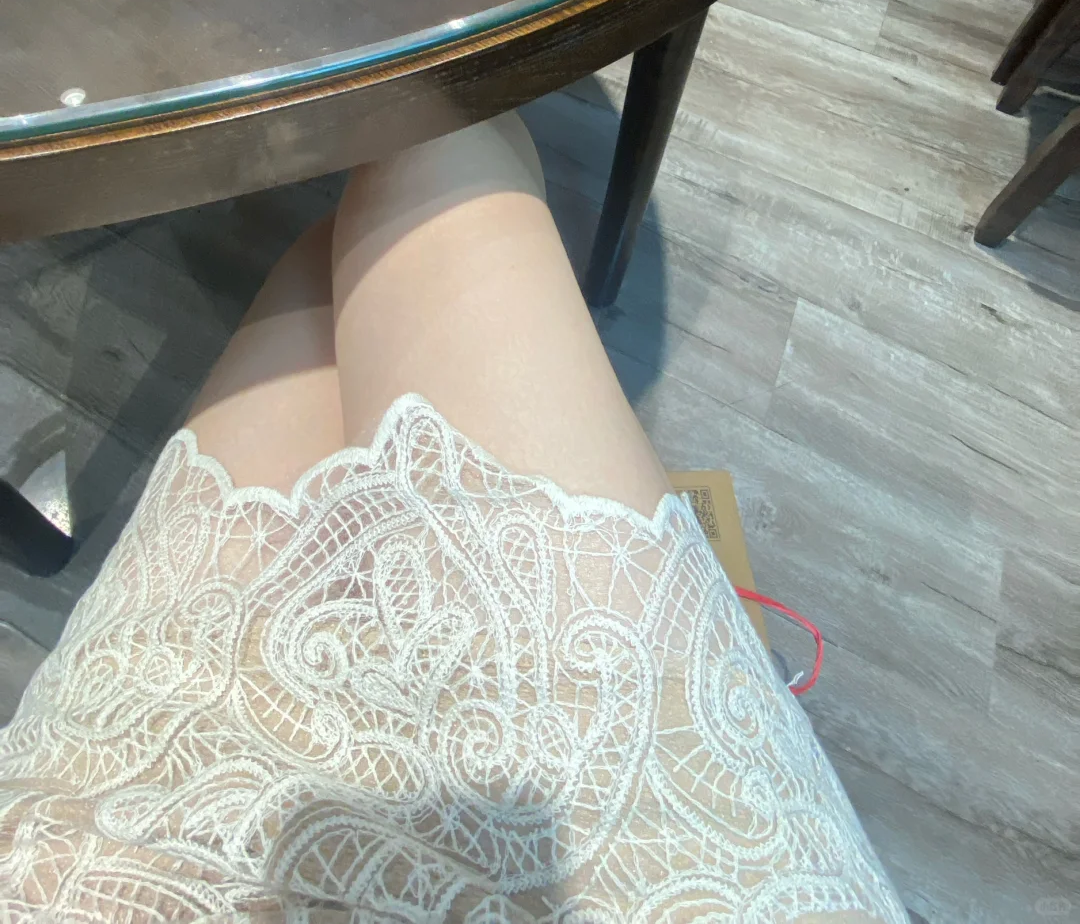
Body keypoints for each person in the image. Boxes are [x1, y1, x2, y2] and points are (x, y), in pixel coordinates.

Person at [0, 116, 907, 923]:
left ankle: (371, 71)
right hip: (626, 840)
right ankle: (399, 56)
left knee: (354, 240)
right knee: (434, 136)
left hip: (95, 834)